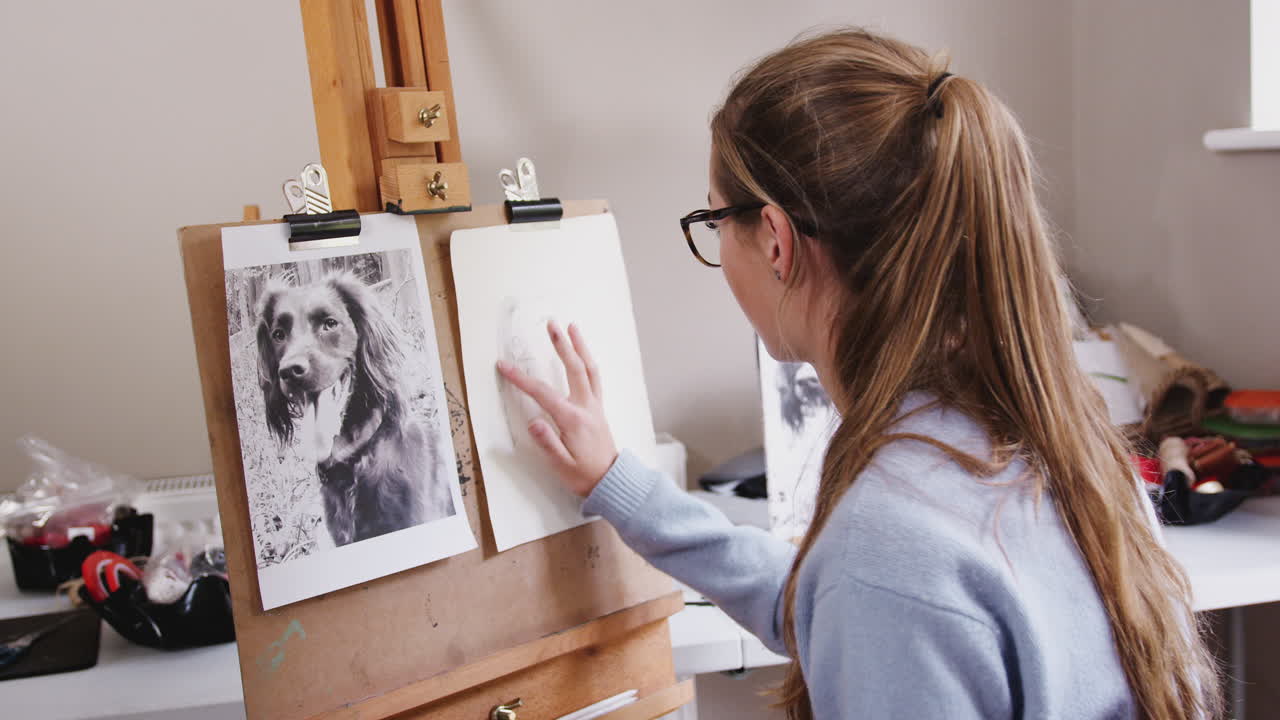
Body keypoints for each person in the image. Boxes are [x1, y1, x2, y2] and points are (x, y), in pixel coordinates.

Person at [496, 28, 1219, 719]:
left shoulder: (891, 547)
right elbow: (829, 603)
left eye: (715, 222)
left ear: (776, 241)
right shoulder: (1062, 447)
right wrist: (620, 485)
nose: (718, 249)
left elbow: (873, 595)